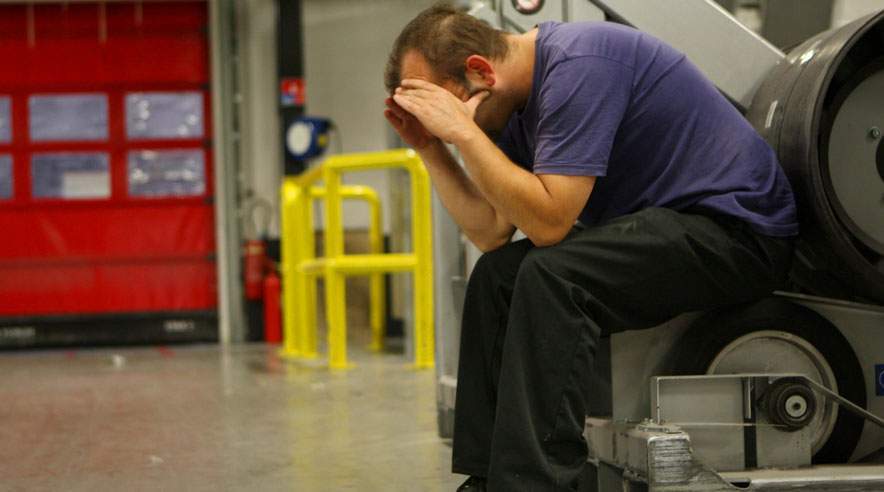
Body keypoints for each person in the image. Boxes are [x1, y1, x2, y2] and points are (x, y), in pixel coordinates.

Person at [383, 4, 798, 491]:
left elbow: (550, 224)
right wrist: (432, 148)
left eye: (448, 106)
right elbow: (492, 231)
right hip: (663, 227)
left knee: (553, 274)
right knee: (497, 277)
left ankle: (533, 483)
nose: (447, 124)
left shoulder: (578, 66)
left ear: (480, 71)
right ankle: (488, 475)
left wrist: (464, 132)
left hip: (739, 233)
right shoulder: (512, 108)